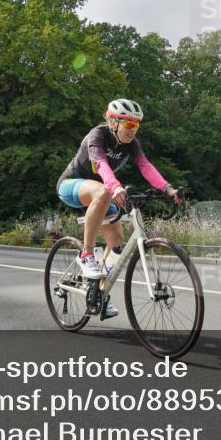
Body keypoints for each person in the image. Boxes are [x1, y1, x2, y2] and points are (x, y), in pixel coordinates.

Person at [57, 99, 181, 319]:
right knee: (103, 192)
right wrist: (115, 187)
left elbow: (145, 166)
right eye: (129, 125)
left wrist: (168, 188)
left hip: (101, 193)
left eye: (137, 125)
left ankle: (98, 295)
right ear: (113, 122)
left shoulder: (131, 144)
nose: (133, 130)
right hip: (71, 185)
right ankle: (86, 255)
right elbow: (101, 164)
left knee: (116, 243)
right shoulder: (98, 135)